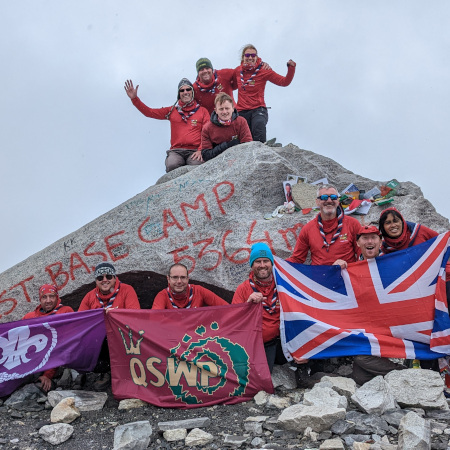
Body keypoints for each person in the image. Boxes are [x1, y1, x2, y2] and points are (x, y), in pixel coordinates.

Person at [379, 207, 449, 372]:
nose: (393, 225)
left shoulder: (419, 232)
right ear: (383, 229)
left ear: (402, 222)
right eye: (387, 223)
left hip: (436, 289)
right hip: (411, 298)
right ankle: (424, 369)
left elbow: (443, 243)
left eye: (395, 221)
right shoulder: (384, 252)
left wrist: (446, 268)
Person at [351, 225, 406, 385]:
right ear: (358, 243)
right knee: (360, 378)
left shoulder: (393, 264)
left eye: (373, 237)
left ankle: (402, 373)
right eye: (365, 238)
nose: (370, 241)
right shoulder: (351, 269)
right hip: (368, 330)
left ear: (380, 242)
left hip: (393, 328)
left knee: (362, 359)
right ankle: (400, 374)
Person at [124, 78, 209, 172]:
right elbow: (149, 112)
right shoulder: (172, 110)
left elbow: (207, 132)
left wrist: (201, 150)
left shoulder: (202, 111)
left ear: (192, 92)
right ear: (179, 94)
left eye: (188, 89)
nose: (185, 92)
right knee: (172, 165)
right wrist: (134, 99)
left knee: (197, 166)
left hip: (195, 150)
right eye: (182, 90)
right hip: (177, 151)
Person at [232, 243, 285, 373]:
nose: (262, 265)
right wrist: (248, 305)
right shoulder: (243, 289)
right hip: (262, 344)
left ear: (272, 263)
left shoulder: (283, 284)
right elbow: (233, 321)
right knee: (261, 376)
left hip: (285, 340)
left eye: (266, 261)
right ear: (252, 265)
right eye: (258, 261)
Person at [287, 184, 361, 268]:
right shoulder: (308, 229)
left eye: (333, 197)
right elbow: (297, 259)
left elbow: (362, 254)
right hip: (320, 279)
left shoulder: (352, 224)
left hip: (346, 277)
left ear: (338, 201)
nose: (329, 200)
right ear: (317, 202)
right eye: (324, 197)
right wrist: (275, 265)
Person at [234, 44, 296, 143]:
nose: (250, 57)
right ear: (243, 57)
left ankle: (261, 153)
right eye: (247, 55)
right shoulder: (238, 71)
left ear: (257, 57)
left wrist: (291, 68)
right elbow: (226, 83)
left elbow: (284, 82)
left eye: (253, 56)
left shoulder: (264, 70)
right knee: (241, 137)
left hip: (258, 109)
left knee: (258, 127)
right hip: (242, 111)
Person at [22, 285, 74, 392]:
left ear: (57, 297)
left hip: (57, 361)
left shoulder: (65, 311)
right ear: (40, 299)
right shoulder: (29, 317)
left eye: (51, 296)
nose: (48, 300)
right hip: (33, 360)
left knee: (40, 387)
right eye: (44, 297)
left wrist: (48, 375)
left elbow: (62, 345)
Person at [200, 92, 253, 161]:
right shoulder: (207, 128)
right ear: (216, 110)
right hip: (216, 162)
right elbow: (206, 155)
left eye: (227, 108)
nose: (224, 112)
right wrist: (228, 145)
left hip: (239, 160)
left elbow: (248, 146)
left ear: (233, 108)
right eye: (221, 109)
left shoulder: (241, 122)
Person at [152, 263, 228, 309]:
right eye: (175, 277)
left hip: (198, 333)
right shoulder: (162, 295)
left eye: (183, 277)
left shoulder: (198, 291)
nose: (179, 281)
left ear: (188, 279)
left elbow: (226, 308)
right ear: (168, 279)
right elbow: (154, 320)